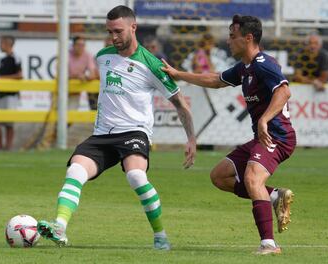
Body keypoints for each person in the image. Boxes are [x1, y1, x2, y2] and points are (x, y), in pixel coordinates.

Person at [37, 5, 196, 250]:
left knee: (135, 175)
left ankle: (160, 235)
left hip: (134, 132)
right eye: (110, 31)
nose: (114, 37)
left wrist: (191, 140)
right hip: (102, 134)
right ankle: (59, 227)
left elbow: (180, 103)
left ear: (133, 27)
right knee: (75, 172)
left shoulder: (151, 64)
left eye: (118, 31)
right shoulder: (103, 56)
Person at [162, 15, 296, 255]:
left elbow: (284, 92)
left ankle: (269, 244)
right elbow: (215, 80)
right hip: (262, 138)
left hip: (277, 137)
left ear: (248, 38)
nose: (228, 40)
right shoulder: (245, 68)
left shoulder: (264, 63)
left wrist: (265, 119)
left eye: (233, 36)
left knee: (253, 179)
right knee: (220, 176)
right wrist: (178, 74)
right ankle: (275, 196)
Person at [0, 35, 22, 151]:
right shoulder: (3, 59)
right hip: (1, 94)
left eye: (1, 43)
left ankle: (8, 148)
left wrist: (1, 78)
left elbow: (20, 75)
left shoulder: (16, 58)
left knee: (9, 123)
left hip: (11, 95)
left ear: (7, 44)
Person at [68, 35, 99, 110]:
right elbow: (61, 75)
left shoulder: (87, 55)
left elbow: (93, 72)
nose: (80, 47)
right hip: (62, 87)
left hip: (75, 89)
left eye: (82, 45)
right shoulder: (66, 54)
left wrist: (86, 77)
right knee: (56, 115)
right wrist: (78, 76)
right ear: (73, 45)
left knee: (71, 112)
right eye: (78, 45)